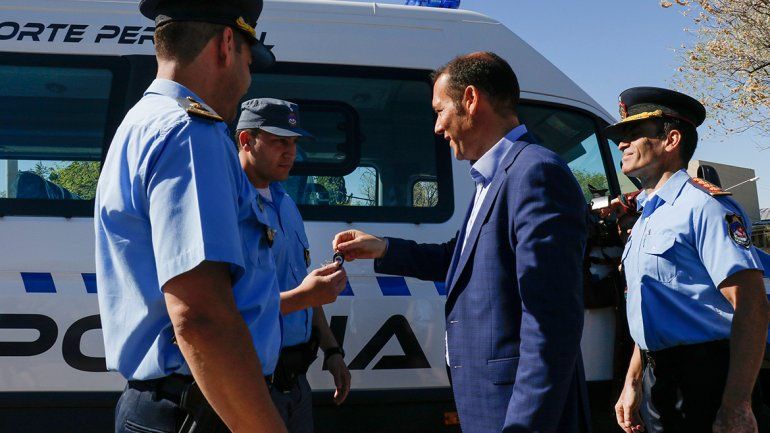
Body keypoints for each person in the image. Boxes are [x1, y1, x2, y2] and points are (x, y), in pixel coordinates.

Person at [332, 52, 590, 433]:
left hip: (516, 414)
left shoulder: (535, 174)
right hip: (489, 405)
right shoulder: (493, 176)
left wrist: (524, 426)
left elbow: (550, 324)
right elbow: (462, 258)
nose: (437, 127)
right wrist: (384, 248)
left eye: (440, 111)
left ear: (470, 99)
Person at [94, 1, 288, 432]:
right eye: (249, 62)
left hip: (168, 404)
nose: (248, 79)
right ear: (225, 45)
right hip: (199, 409)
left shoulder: (141, 122)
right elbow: (200, 316)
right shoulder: (190, 133)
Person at [607, 87, 768, 433]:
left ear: (671, 140)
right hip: (658, 378)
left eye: (633, 133)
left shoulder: (705, 207)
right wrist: (633, 381)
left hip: (706, 379)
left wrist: (737, 403)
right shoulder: (647, 216)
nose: (621, 144)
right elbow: (652, 310)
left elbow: (751, 305)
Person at [235, 98, 351, 432]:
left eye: (294, 143)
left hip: (295, 383)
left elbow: (303, 287)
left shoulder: (286, 204)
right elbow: (227, 311)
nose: (291, 153)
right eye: (279, 142)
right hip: (250, 385)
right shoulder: (229, 205)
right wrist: (305, 295)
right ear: (246, 140)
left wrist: (332, 350)